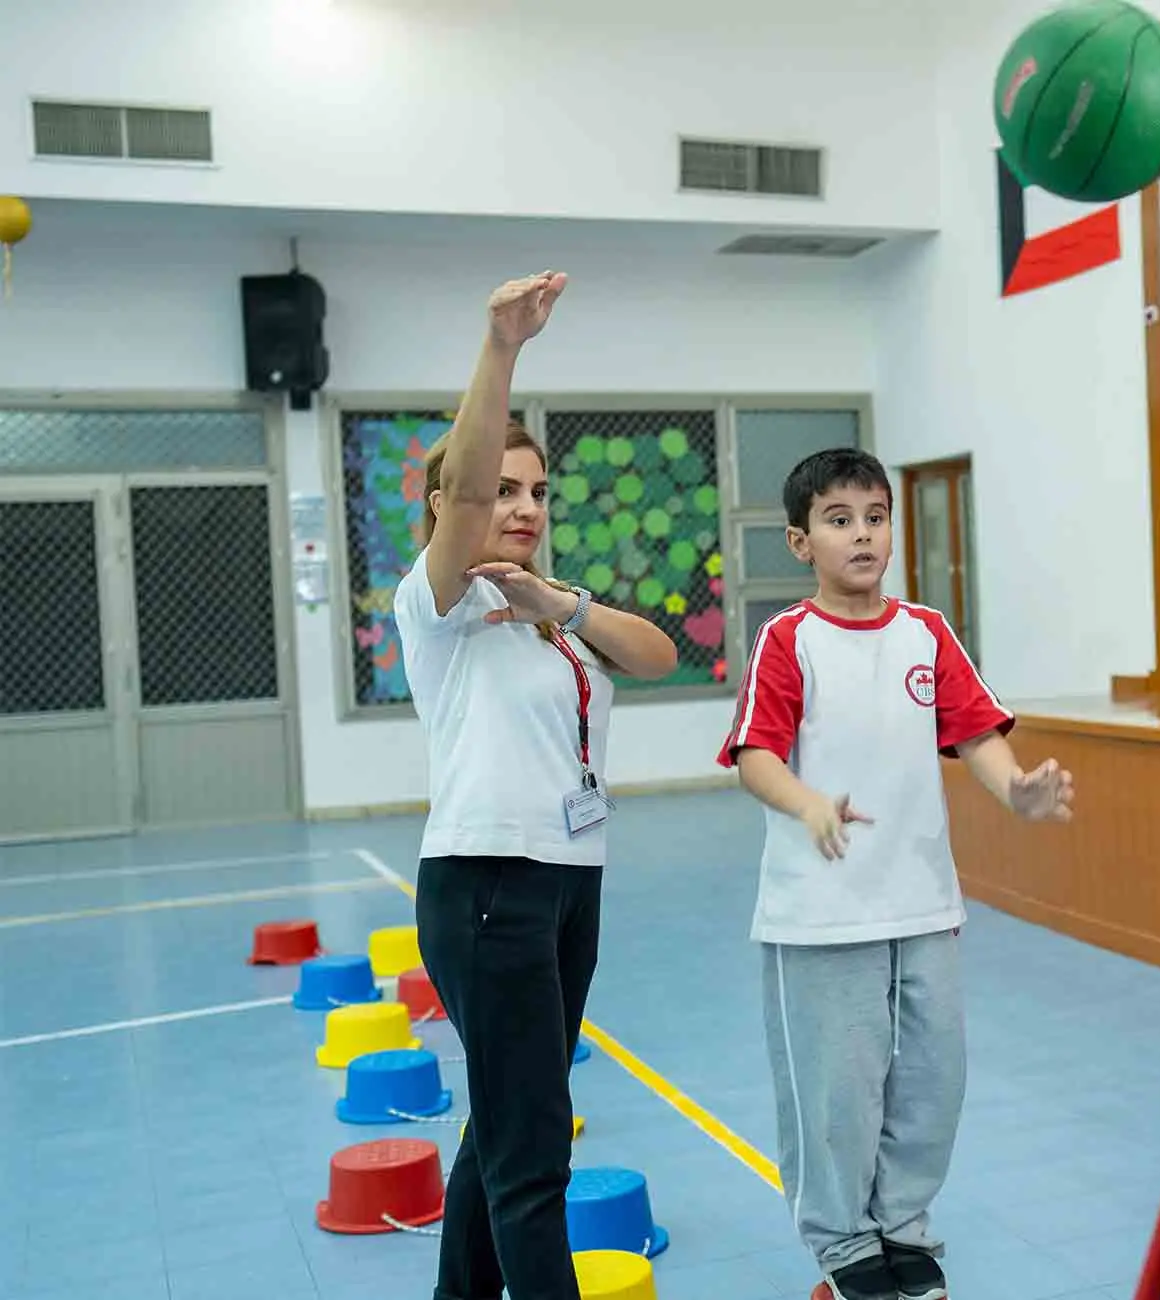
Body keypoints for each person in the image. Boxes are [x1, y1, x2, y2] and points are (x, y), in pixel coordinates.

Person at [716, 447, 1075, 1300]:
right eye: (839, 520)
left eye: (875, 516)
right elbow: (754, 755)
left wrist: (1016, 792)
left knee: (931, 1081)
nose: (863, 534)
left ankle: (904, 1225)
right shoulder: (789, 639)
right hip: (821, 912)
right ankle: (844, 1242)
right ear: (802, 542)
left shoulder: (927, 631)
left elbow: (977, 734)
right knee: (839, 1090)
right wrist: (806, 804)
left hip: (923, 904)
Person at [395, 271, 681, 1300]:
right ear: (446, 506)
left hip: (568, 883)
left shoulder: (552, 616)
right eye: (499, 489)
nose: (517, 506)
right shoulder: (437, 605)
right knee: (533, 1155)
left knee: (512, 1119)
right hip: (485, 885)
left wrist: (557, 599)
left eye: (535, 491)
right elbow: (462, 493)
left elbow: (655, 655)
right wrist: (501, 348)